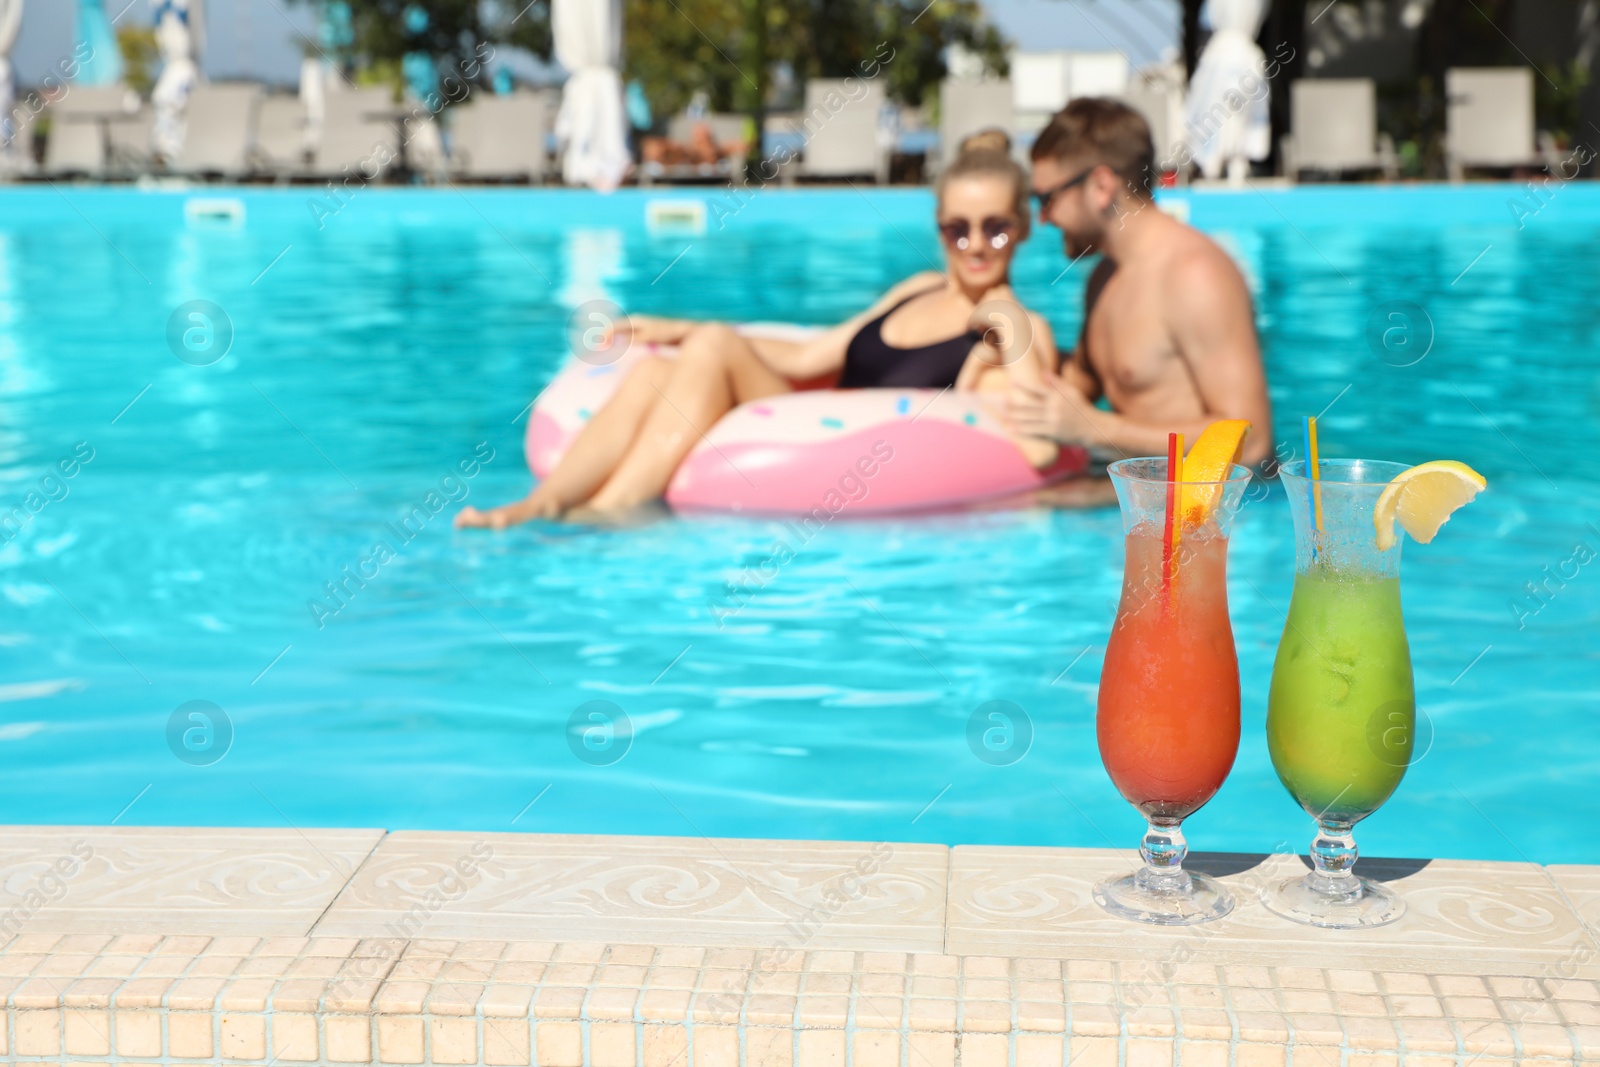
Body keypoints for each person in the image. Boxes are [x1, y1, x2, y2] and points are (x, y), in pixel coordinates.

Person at [457, 131, 1057, 528]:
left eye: (996, 228)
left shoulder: (1018, 330)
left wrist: (1003, 315)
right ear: (938, 228)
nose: (976, 245)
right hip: (813, 414)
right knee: (661, 369)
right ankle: (544, 502)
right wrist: (669, 329)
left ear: (1024, 227)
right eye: (959, 229)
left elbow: (1036, 446)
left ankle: (608, 510)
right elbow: (810, 357)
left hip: (845, 454)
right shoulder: (916, 289)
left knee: (714, 345)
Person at [1006, 98, 1273, 470]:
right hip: (1149, 503)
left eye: (1047, 199)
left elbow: (1253, 439)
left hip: (1219, 519)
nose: (1043, 219)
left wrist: (1095, 430)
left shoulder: (1196, 275)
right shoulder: (1103, 278)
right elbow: (1076, 384)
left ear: (1101, 187)